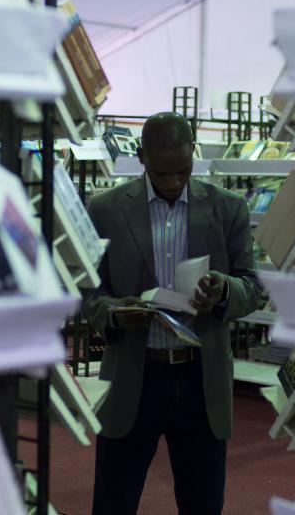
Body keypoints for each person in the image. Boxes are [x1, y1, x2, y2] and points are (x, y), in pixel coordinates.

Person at [82, 113, 260, 515]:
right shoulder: (107, 208)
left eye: (183, 170)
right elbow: (89, 290)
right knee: (113, 500)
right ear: (141, 156)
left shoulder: (227, 209)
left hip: (201, 380)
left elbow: (252, 287)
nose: (174, 182)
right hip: (133, 376)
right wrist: (113, 313)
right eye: (163, 173)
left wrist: (223, 291)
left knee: (202, 504)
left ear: (193, 155)